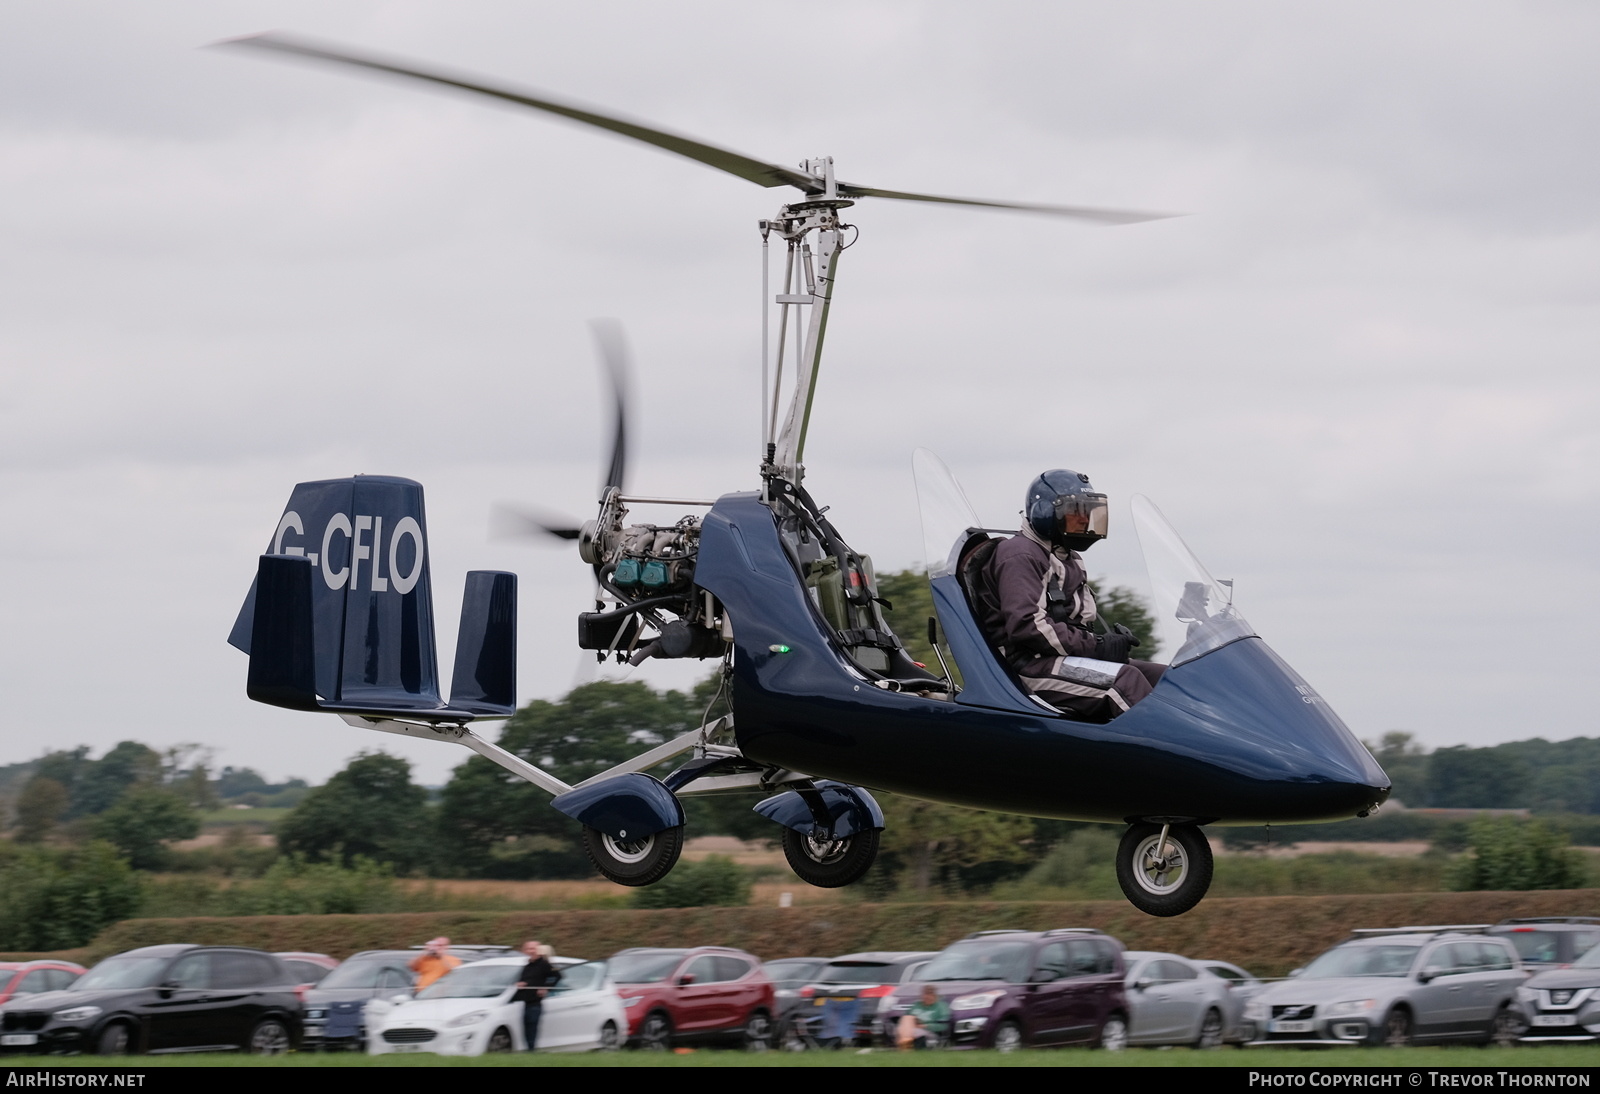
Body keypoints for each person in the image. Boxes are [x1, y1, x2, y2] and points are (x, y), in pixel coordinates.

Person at [978, 468, 1164, 721]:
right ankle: (1169, 755)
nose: (1085, 522)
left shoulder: (1067, 557)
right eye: (1076, 513)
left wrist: (1102, 645)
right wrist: (1097, 647)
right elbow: (1027, 627)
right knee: (1125, 682)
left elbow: (1075, 623)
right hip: (1027, 666)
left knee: (1166, 678)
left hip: (1059, 659)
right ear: (1046, 512)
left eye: (1088, 513)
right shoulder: (1021, 555)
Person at [514, 940, 562, 1052]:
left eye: (533, 948)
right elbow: (525, 981)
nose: (531, 951)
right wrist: (520, 983)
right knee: (526, 1027)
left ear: (539, 950)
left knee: (532, 1026)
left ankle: (531, 1049)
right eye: (528, 949)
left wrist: (546, 988)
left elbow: (557, 975)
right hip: (524, 1002)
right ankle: (527, 1049)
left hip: (535, 1002)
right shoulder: (527, 967)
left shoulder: (545, 964)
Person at [895, 985, 950, 1050]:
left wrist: (924, 1026)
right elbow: (904, 1019)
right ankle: (906, 1040)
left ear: (935, 996)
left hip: (928, 1030)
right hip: (911, 1027)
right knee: (907, 1018)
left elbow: (944, 1026)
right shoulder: (916, 1005)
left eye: (930, 994)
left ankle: (905, 1041)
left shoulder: (941, 1006)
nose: (927, 997)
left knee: (909, 1023)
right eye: (925, 994)